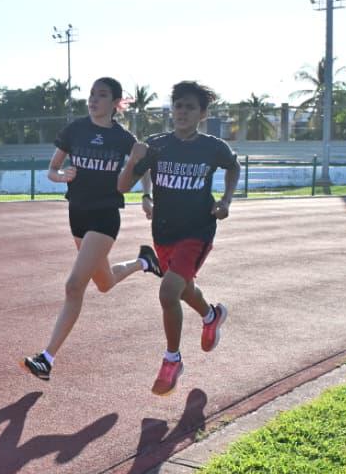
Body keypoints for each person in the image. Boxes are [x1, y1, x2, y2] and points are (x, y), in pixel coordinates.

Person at [21, 76, 161, 381]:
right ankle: (144, 262)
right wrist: (62, 176)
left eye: (101, 95)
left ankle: (47, 358)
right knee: (105, 283)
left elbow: (144, 166)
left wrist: (147, 196)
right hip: (77, 214)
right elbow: (51, 169)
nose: (93, 100)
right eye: (91, 95)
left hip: (105, 216)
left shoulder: (123, 138)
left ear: (115, 103)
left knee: (74, 286)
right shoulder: (75, 130)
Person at [118, 80, 239, 396]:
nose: (183, 112)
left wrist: (225, 200)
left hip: (197, 229)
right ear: (172, 109)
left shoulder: (212, 147)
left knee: (168, 291)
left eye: (190, 107)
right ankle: (211, 315)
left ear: (202, 113)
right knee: (183, 289)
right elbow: (125, 184)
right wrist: (144, 188)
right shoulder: (157, 145)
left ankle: (172, 360)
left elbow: (233, 166)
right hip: (163, 230)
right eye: (179, 105)